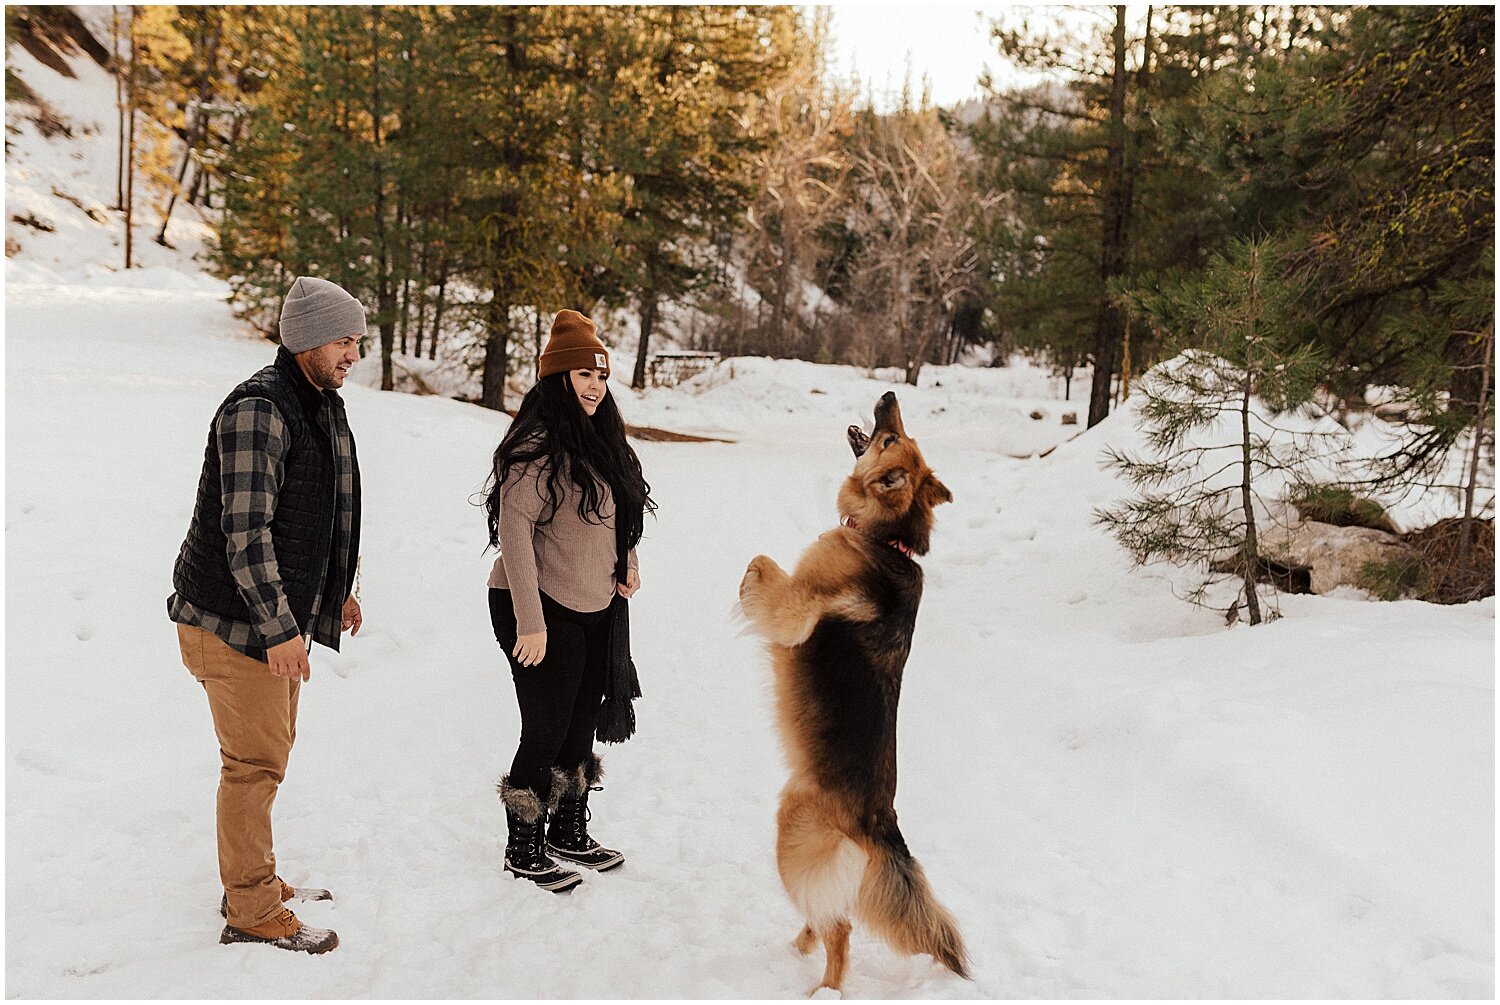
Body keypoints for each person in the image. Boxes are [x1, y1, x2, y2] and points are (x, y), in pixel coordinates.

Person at [168, 276, 366, 953]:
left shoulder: (317, 402)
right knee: (253, 764)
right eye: (345, 340)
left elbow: (318, 512)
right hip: (231, 621)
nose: (354, 355)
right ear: (308, 337)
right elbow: (245, 533)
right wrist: (282, 628)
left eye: (358, 341)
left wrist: (338, 589)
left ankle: (253, 878)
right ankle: (250, 906)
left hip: (268, 618)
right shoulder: (260, 408)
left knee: (268, 757)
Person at [483, 309, 654, 893]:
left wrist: (626, 561)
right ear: (558, 378)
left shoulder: (603, 441)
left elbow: (619, 515)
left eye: (601, 377)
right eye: (583, 374)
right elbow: (516, 535)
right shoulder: (536, 446)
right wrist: (530, 624)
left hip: (593, 604)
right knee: (548, 722)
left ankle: (566, 829)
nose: (595, 386)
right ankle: (522, 844)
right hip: (534, 605)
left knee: (582, 720)